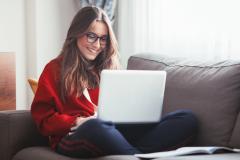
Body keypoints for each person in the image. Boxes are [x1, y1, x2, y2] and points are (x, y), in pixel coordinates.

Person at [31, 6, 198, 158]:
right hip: (76, 135)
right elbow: (43, 120)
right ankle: (134, 153)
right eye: (91, 36)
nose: (97, 45)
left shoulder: (108, 68)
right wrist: (76, 121)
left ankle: (131, 153)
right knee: (96, 126)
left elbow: (121, 108)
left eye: (103, 39)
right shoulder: (54, 69)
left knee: (186, 118)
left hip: (115, 131)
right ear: (76, 34)